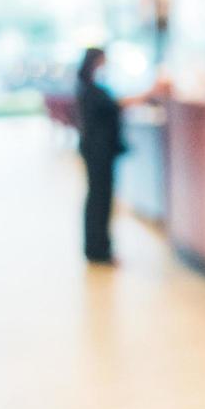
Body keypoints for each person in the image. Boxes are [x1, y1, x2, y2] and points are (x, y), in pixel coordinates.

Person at [76, 47, 126, 265]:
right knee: (99, 199)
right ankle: (98, 250)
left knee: (100, 199)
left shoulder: (89, 86)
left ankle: (99, 248)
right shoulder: (91, 88)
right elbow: (115, 106)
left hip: (98, 149)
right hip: (98, 150)